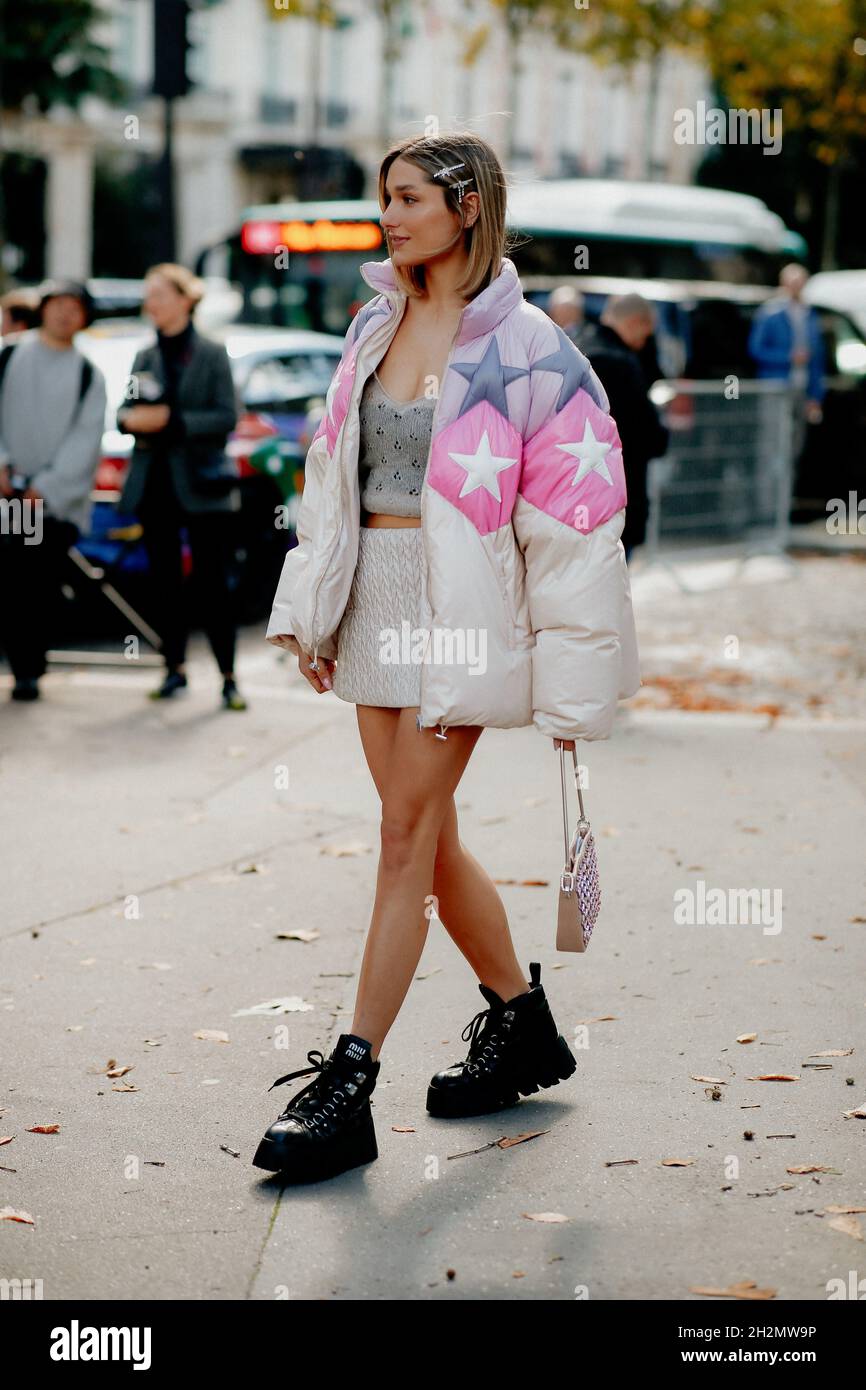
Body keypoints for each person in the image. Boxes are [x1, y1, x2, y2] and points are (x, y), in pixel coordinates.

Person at [253, 132, 640, 1185]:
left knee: (400, 838)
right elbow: (329, 478)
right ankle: (521, 1024)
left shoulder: (531, 351)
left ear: (466, 208)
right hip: (373, 599)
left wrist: (574, 681)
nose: (390, 214)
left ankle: (348, 1081)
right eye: (386, 197)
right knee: (430, 838)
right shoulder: (371, 319)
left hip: (456, 612)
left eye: (409, 197)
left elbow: (576, 528)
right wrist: (316, 613)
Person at [116, 263, 247, 710]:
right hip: (154, 485)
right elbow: (124, 411)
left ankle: (228, 677)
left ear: (184, 299)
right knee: (163, 584)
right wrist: (129, 420)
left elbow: (227, 416)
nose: (150, 303)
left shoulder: (211, 352)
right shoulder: (144, 356)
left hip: (203, 486)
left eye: (159, 294)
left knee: (213, 584)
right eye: (149, 295)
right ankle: (173, 670)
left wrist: (174, 422)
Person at [0, 279, 106, 701]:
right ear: (42, 308)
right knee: (8, 579)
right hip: (5, 494)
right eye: (57, 304)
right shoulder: (8, 355)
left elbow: (86, 439)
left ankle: (29, 670)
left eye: (74, 306)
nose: (64, 313)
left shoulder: (87, 374)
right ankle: (20, 664)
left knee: (35, 583)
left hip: (49, 505)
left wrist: (44, 487)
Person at [578, 294, 669, 562]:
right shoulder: (620, 363)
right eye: (646, 335)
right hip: (615, 496)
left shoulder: (576, 346)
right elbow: (647, 434)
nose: (646, 342)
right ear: (635, 323)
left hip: (571, 494)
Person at [747, 262, 826, 462]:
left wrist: (815, 396)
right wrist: (788, 357)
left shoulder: (809, 314)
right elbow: (756, 350)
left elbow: (817, 358)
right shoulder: (770, 313)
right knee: (773, 441)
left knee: (795, 445)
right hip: (777, 387)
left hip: (801, 386)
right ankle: (770, 490)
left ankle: (786, 491)